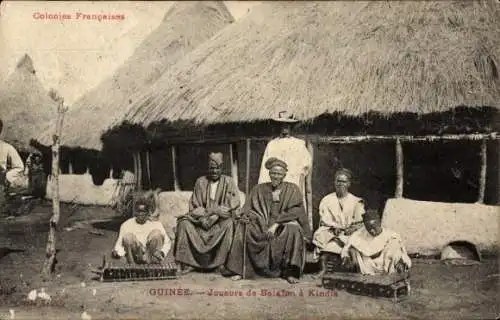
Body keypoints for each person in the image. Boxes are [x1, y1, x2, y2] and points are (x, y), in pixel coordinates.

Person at [225, 157, 312, 284]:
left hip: (281, 227)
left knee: (294, 229)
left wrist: (277, 224)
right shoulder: (258, 189)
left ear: (284, 175)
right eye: (273, 173)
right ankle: (239, 271)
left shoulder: (292, 189)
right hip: (261, 226)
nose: (275, 176)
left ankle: (290, 273)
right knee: (243, 226)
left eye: (279, 174)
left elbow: (296, 211)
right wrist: (245, 216)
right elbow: (247, 208)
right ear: (269, 174)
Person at [174, 152, 241, 274]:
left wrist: (215, 215)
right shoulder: (201, 182)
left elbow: (232, 205)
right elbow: (195, 206)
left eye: (217, 168)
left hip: (219, 223)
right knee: (183, 223)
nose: (214, 171)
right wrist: (204, 217)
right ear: (208, 169)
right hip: (201, 222)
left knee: (230, 223)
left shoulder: (229, 181)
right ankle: (188, 263)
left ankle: (221, 263)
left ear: (221, 169)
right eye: (212, 168)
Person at [258, 111, 312, 226]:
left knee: (293, 210)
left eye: (287, 125)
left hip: (293, 181)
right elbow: (264, 168)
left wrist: (298, 180)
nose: (285, 128)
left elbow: (306, 166)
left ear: (291, 127)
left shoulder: (299, 144)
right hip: (274, 183)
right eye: (282, 125)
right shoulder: (272, 144)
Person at [312, 168, 365, 277]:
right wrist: (333, 228)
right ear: (334, 182)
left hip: (349, 231)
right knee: (321, 234)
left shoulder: (356, 201)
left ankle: (348, 265)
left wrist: (351, 229)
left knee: (355, 239)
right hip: (331, 231)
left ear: (349, 184)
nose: (340, 184)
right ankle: (323, 269)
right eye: (338, 181)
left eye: (344, 181)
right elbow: (325, 220)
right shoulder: (327, 200)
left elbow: (359, 222)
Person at [340, 209, 411, 275]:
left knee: (394, 244)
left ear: (379, 223)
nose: (371, 231)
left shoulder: (392, 235)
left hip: (385, 265)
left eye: (374, 227)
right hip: (366, 265)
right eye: (368, 228)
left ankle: (390, 275)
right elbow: (346, 248)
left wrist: (401, 262)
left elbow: (403, 254)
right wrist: (346, 257)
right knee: (353, 250)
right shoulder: (359, 234)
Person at [112, 190, 172, 264]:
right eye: (138, 211)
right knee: (128, 237)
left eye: (143, 211)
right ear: (135, 212)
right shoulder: (126, 224)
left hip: (151, 255)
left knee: (157, 233)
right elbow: (119, 243)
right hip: (135, 255)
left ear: (147, 213)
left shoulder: (156, 224)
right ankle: (133, 266)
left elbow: (167, 242)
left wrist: (162, 253)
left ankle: (150, 264)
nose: (140, 214)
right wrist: (117, 252)